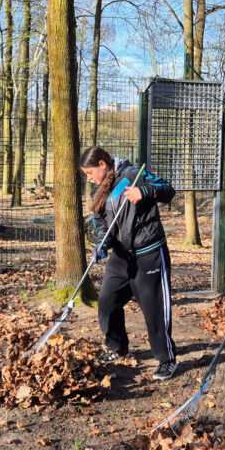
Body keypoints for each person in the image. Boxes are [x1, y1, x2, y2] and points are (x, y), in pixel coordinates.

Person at [80, 147, 179, 380]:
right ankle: (117, 347)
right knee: (106, 302)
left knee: (154, 309)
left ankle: (167, 359)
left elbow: (168, 190)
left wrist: (144, 191)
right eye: (86, 174)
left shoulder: (134, 175)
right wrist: (101, 244)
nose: (89, 177)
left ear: (103, 164)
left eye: (90, 172)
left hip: (150, 253)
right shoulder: (98, 190)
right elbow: (101, 223)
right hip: (121, 257)